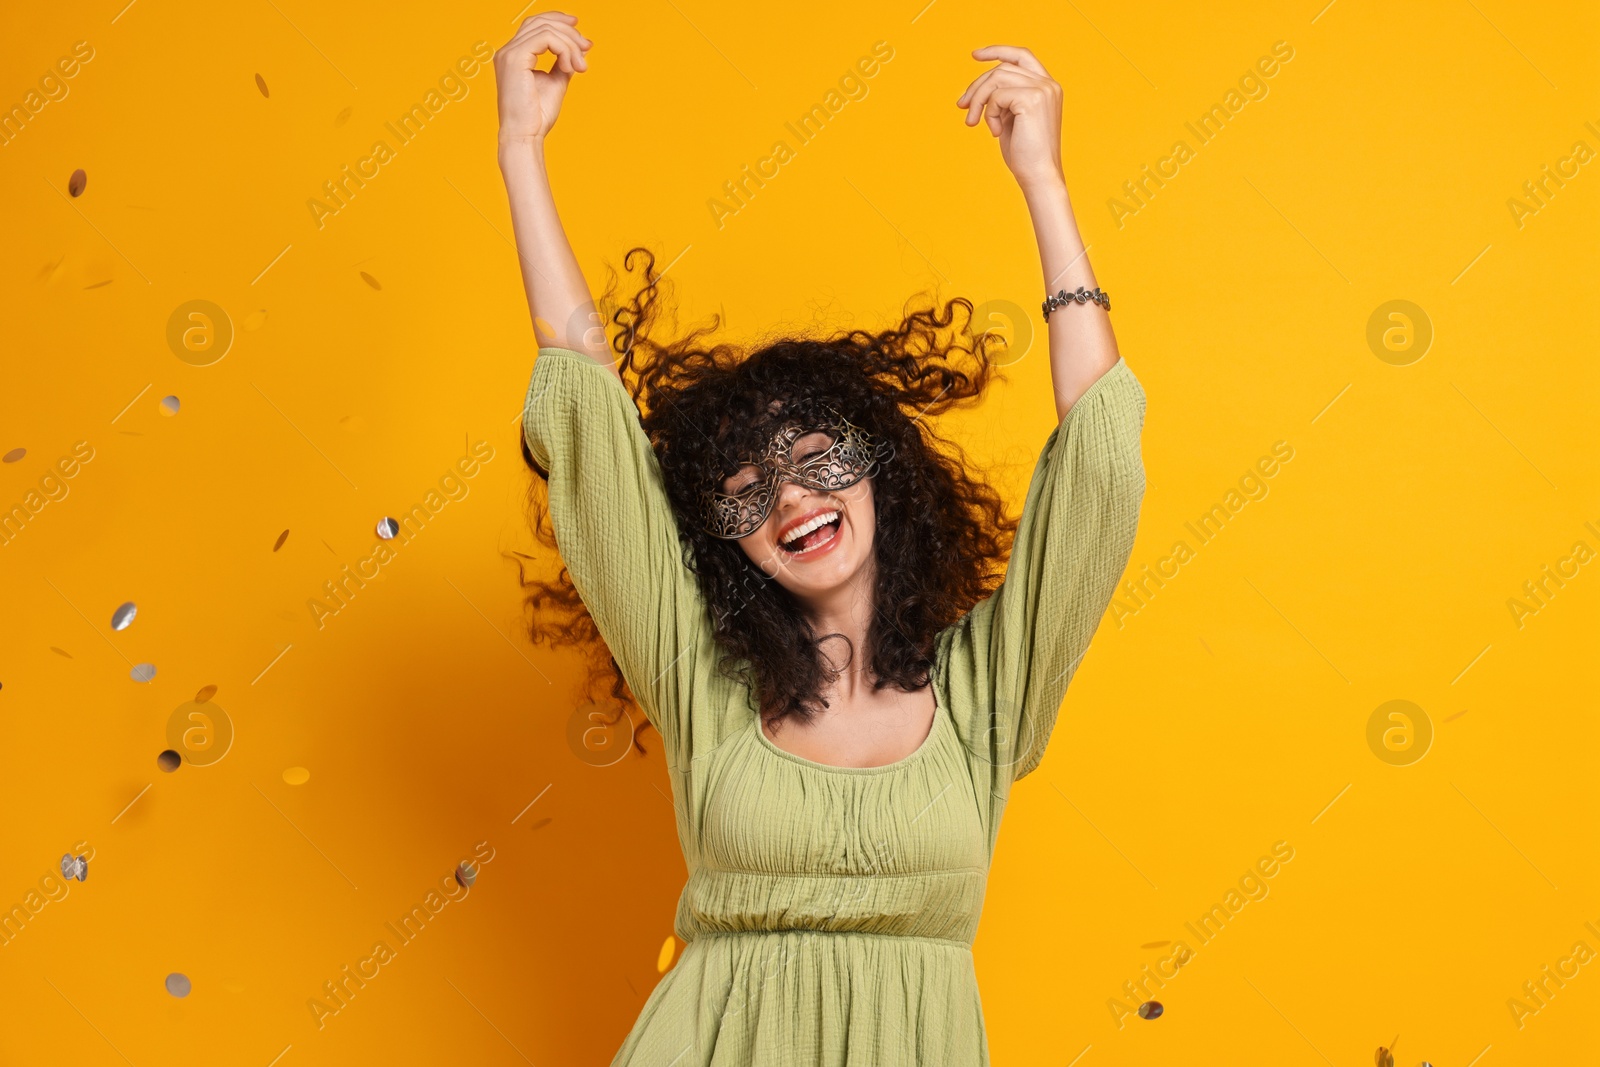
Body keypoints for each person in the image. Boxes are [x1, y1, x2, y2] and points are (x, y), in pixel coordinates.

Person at [495, 12, 1147, 1064]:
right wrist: (521, 149)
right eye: (746, 491)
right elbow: (589, 418)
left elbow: (1102, 465)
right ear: (725, 542)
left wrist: (1046, 187)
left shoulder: (986, 692)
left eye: (815, 455)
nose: (789, 499)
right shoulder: (701, 683)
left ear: (881, 465)